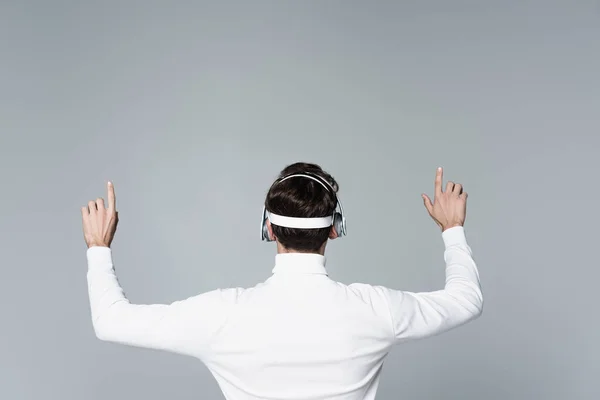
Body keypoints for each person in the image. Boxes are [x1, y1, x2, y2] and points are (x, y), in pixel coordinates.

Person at [81, 162, 483, 400]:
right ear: (335, 229)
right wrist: (452, 228)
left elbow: (111, 322)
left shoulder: (224, 315)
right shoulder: (375, 310)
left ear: (268, 229)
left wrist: (99, 247)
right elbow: (465, 301)